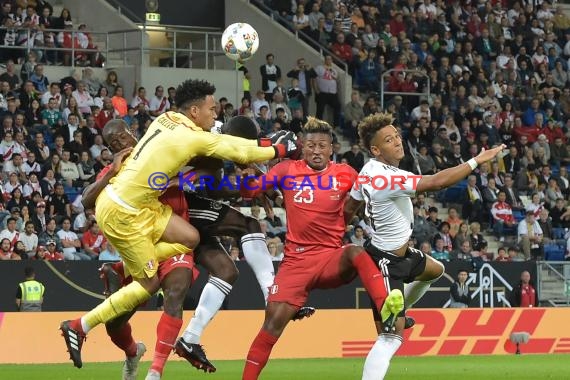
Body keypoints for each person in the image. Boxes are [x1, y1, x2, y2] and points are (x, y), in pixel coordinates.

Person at [59, 79, 300, 370]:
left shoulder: (166, 120)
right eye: (212, 109)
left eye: (123, 137)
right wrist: (277, 149)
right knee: (123, 315)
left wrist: (256, 155)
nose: (215, 114)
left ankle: (159, 367)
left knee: (195, 242)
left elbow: (221, 150)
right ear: (195, 111)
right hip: (129, 216)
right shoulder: (147, 153)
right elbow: (229, 151)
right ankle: (98, 331)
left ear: (130, 131)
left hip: (160, 217)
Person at [343, 113, 505, 379]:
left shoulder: (369, 171)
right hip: (386, 264)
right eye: (388, 139)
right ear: (375, 149)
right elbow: (437, 182)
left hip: (399, 253)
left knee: (434, 269)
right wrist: (476, 160)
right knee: (389, 339)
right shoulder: (386, 177)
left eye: (396, 135)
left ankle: (399, 311)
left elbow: (351, 206)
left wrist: (350, 222)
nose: (397, 141)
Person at [240, 117, 403, 380]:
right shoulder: (286, 170)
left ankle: (387, 308)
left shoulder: (346, 174)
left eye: (322, 146)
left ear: (331, 149)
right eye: (311, 145)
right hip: (295, 263)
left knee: (356, 252)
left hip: (330, 259)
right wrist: (247, 177)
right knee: (270, 326)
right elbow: (250, 192)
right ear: (302, 147)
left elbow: (374, 192)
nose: (317, 151)